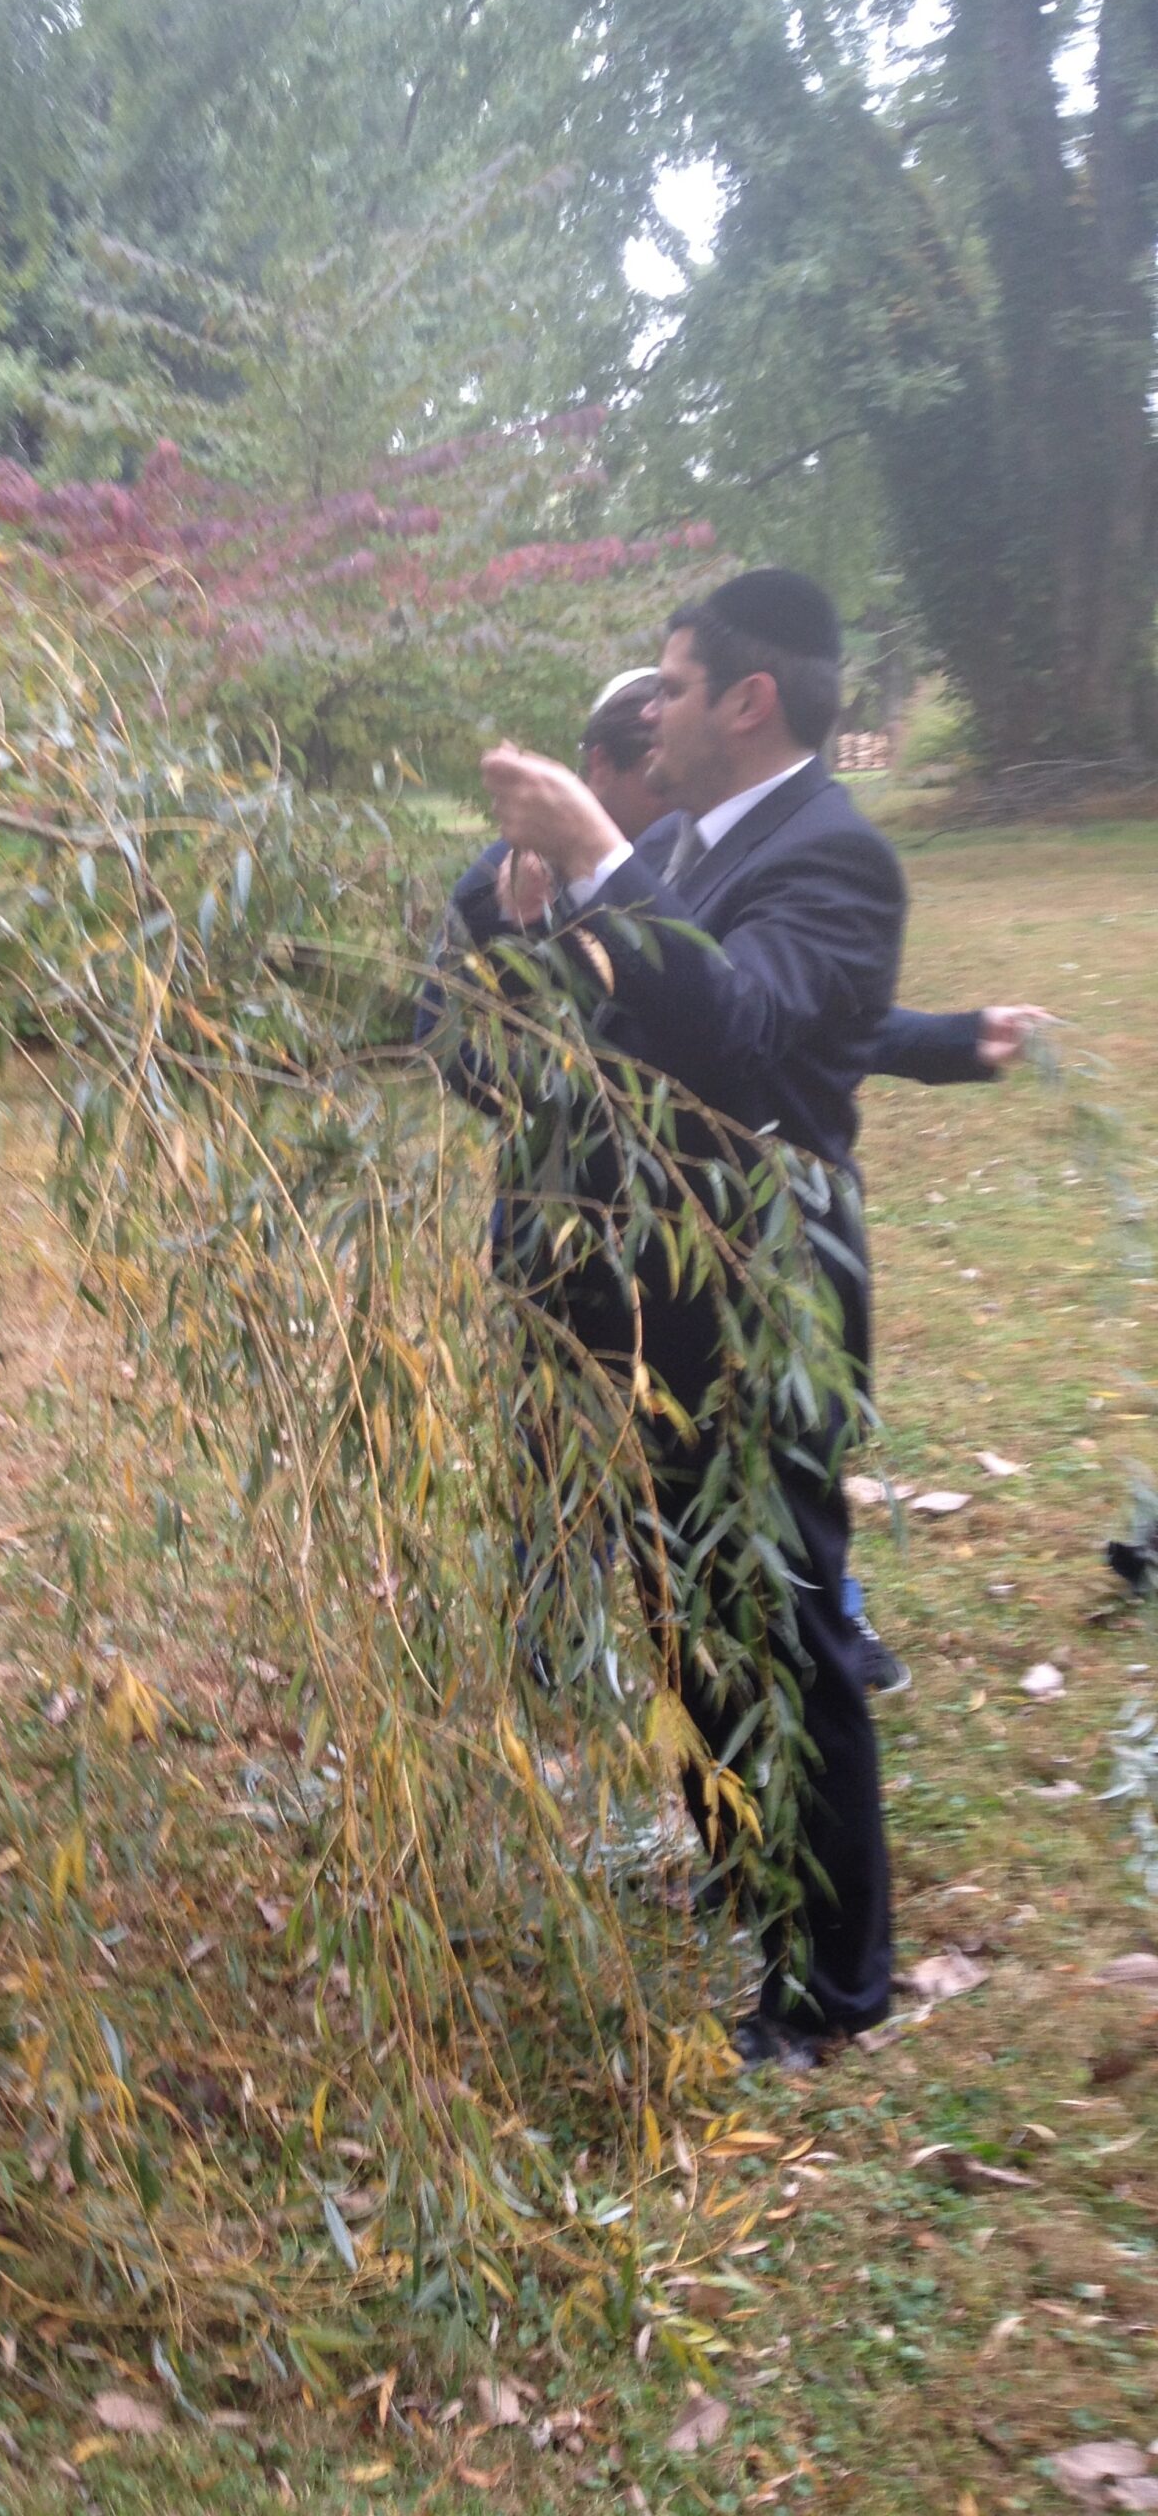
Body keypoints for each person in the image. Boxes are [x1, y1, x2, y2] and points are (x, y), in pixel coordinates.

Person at [473, 568, 906, 2068]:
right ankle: (744, 1869)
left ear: (748, 699)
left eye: (669, 684)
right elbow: (605, 1051)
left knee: (780, 1618)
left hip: (769, 1288)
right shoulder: (682, 846)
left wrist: (598, 854)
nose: (648, 711)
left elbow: (738, 1040)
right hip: (653, 1293)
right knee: (688, 1609)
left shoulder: (836, 858)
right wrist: (542, 919)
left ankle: (835, 1985)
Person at [421, 670, 1052, 1700]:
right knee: (567, 1431)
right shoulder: (501, 882)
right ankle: (555, 1619)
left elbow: (765, 1017)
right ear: (595, 771)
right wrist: (565, 1068)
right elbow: (451, 1040)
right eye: (653, 779)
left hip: (710, 1237)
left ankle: (814, 1610)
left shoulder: (689, 866)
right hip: (569, 1229)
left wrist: (949, 1041)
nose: (673, 803)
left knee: (746, 1441)